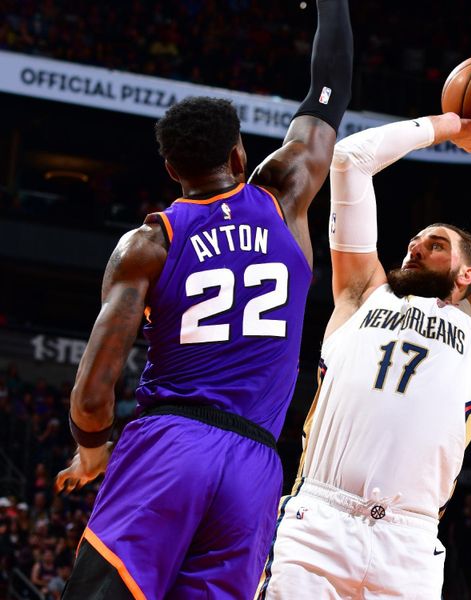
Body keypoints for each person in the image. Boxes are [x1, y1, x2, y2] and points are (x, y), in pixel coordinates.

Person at [53, 1, 353, 598]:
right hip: (256, 467)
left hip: (170, 445)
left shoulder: (149, 243)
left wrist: (91, 451)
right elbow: (328, 91)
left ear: (170, 167)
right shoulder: (285, 196)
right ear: (240, 155)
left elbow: (92, 396)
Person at [261, 55, 471, 599]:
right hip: (320, 522)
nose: (415, 245)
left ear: (467, 273)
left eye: (435, 244)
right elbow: (349, 160)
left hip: (409, 543)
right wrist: (453, 125)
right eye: (414, 240)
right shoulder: (363, 291)